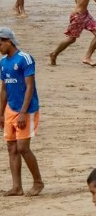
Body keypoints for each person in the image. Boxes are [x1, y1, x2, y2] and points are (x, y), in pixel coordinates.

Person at [0, 27, 44, 197]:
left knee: (23, 147)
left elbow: (30, 87)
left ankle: (38, 182)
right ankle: (17, 187)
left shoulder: (25, 59)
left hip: (27, 109)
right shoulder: (3, 63)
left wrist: (23, 113)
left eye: (0, 44)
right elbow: (4, 89)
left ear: (8, 41)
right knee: (11, 148)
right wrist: (1, 113)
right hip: (10, 109)